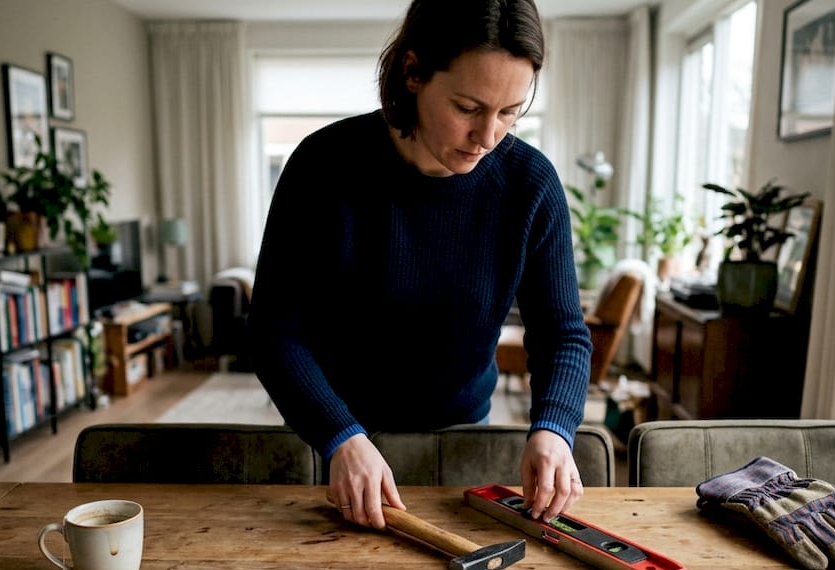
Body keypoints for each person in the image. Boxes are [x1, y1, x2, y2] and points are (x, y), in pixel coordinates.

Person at [249, 0, 592, 531]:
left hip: (461, 433)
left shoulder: (530, 184)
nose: (489, 137)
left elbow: (562, 333)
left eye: (510, 112)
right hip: (334, 435)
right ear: (412, 73)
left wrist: (553, 427)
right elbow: (274, 332)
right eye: (469, 108)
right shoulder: (322, 166)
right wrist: (341, 435)